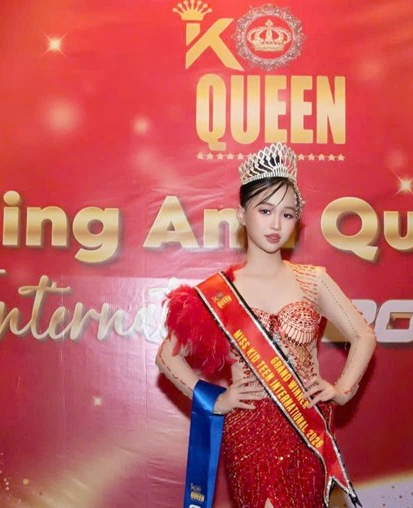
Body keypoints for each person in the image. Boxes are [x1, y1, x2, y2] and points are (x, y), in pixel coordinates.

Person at [156, 142, 376, 508]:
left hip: (307, 428)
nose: (276, 224)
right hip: (249, 430)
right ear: (242, 214)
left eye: (287, 214)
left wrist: (342, 390)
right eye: (265, 210)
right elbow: (168, 357)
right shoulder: (219, 292)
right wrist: (216, 400)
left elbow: (363, 335)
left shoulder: (313, 280)